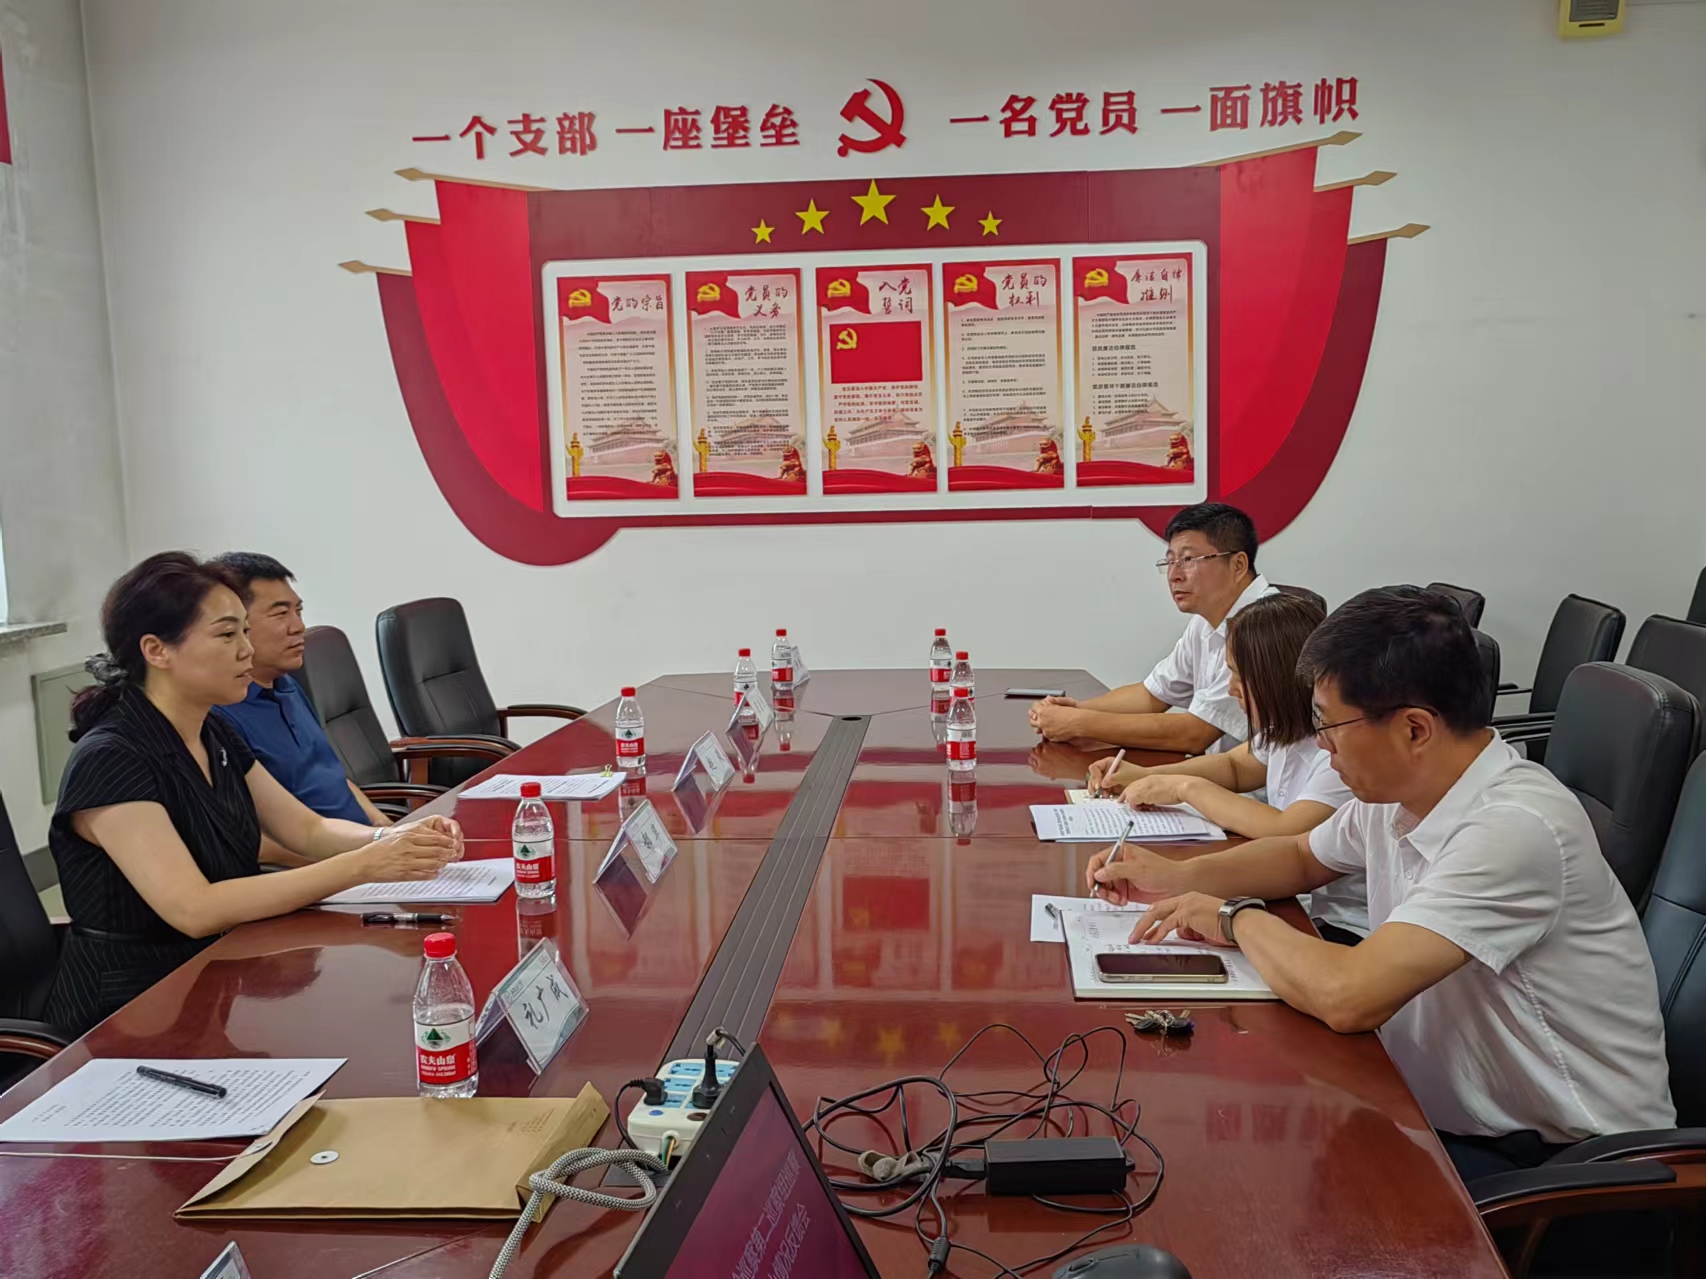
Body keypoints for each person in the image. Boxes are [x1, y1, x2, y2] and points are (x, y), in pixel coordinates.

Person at [1087, 587, 1674, 1180]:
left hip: (1566, 1165)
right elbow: (1299, 856)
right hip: (1449, 1111)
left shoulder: (1513, 827)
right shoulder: (1401, 793)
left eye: (1329, 724)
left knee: (1239, 1169)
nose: (1320, 744)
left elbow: (1349, 995)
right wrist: (1175, 878)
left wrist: (1232, 916)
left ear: (1415, 729)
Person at [45, 552, 464, 1037]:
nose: (246, 650)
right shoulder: (112, 758)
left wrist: (394, 840)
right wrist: (364, 865)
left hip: (218, 973)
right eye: (227, 635)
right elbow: (194, 909)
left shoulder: (214, 731)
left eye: (245, 631)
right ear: (157, 650)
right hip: (133, 1010)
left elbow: (306, 828)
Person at [1085, 592, 1367, 943]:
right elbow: (1236, 765)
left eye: (1238, 676)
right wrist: (1147, 777)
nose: (1232, 689)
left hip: (1341, 925)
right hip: (1301, 901)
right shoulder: (1286, 728)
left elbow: (1287, 832)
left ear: (1276, 679)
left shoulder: (1337, 752)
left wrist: (1184, 787)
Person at [1030, 502, 1277, 752]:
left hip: (1254, 778)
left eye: (1188, 559)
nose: (1174, 575)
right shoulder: (1204, 622)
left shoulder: (1266, 627)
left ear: (1238, 565)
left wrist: (1079, 723)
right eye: (1170, 562)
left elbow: (1194, 733)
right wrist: (1074, 709)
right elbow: (1152, 695)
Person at [209, 553, 390, 828]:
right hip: (328, 852)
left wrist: (382, 825)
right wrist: (368, 848)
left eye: (299, 611)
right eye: (281, 614)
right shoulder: (219, 715)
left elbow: (333, 776)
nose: (299, 627)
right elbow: (254, 836)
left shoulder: (288, 685)